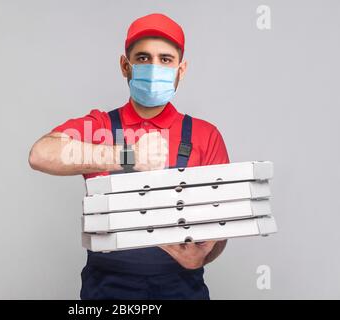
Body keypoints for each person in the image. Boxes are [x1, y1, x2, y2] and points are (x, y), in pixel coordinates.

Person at [29, 13, 230, 299]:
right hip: (107, 287)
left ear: (180, 70)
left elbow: (222, 221)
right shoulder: (98, 126)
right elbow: (41, 154)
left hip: (182, 286)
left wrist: (202, 257)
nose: (154, 67)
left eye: (165, 59)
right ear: (126, 66)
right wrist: (127, 155)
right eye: (143, 58)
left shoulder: (204, 135)